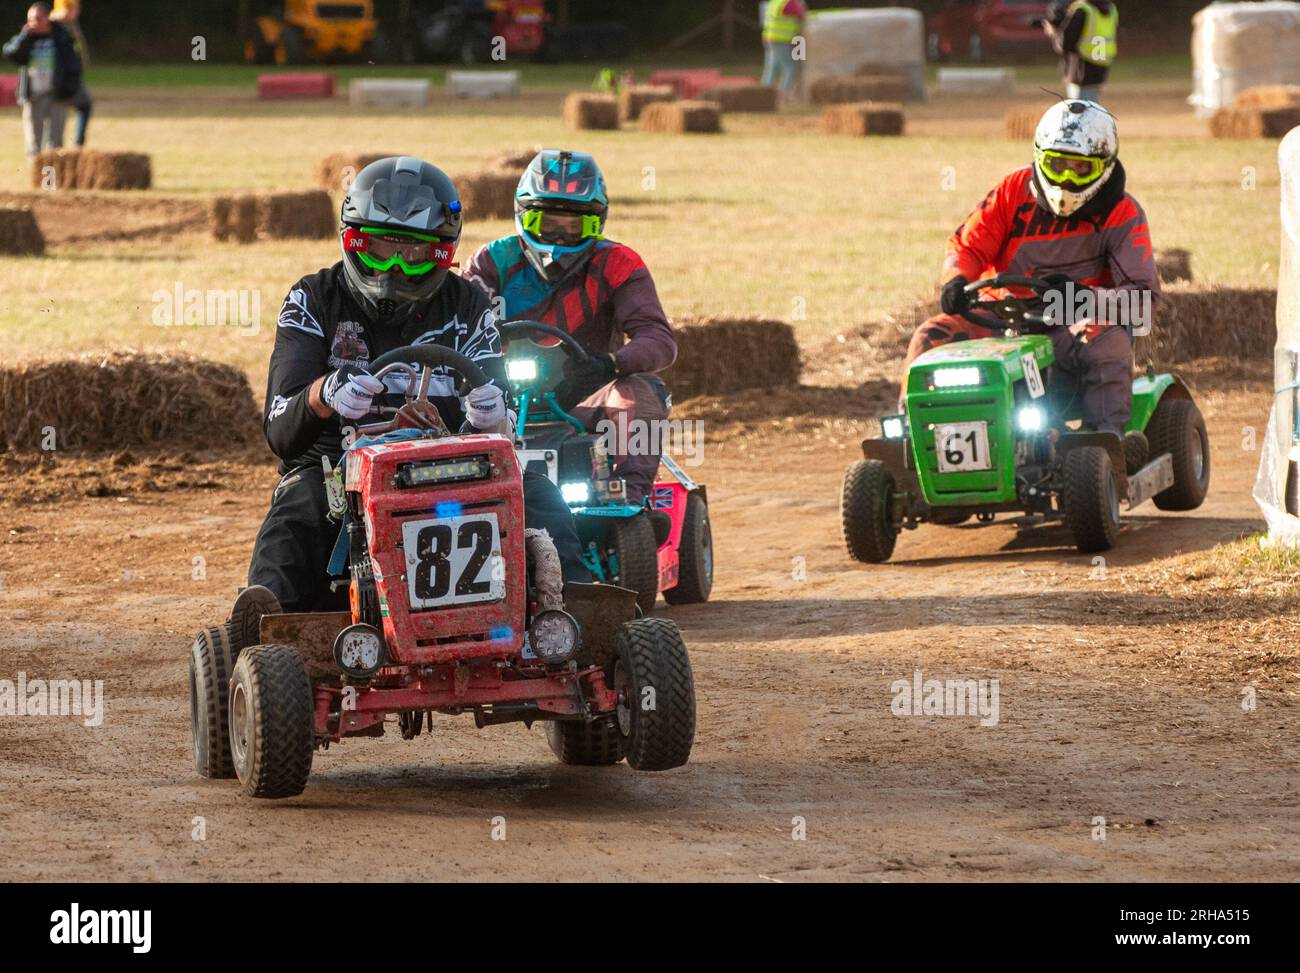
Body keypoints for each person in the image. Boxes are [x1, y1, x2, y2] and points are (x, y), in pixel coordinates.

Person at [247, 156, 589, 614]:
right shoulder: (312, 298)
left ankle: (573, 628)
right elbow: (281, 433)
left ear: (441, 254)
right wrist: (323, 393)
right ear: (352, 241)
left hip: (450, 472)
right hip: (336, 478)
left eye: (413, 254)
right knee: (296, 509)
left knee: (541, 495)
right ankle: (270, 634)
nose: (395, 268)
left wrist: (493, 417)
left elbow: (504, 424)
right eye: (380, 249)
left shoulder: (468, 305)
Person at [903, 100, 1158, 469]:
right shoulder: (1011, 191)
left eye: (1080, 169)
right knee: (931, 336)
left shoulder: (1123, 213)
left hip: (1070, 325)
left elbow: (1142, 302)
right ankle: (913, 439)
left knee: (1107, 339)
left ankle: (1106, 443)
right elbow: (967, 245)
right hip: (1000, 317)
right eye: (1057, 165)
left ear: (1103, 168)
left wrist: (1079, 298)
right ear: (1039, 158)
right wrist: (955, 280)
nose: (1066, 180)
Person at [464, 150, 677, 525]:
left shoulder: (619, 263)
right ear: (524, 217)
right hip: (495, 399)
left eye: (573, 226)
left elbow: (658, 338)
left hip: (584, 395)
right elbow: (458, 327)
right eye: (548, 223)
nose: (560, 236)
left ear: (595, 225)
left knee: (639, 391)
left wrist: (608, 365)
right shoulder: (490, 262)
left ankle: (631, 506)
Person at [3, 2, 81, 158]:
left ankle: (49, 181)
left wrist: (69, 92)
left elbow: (74, 67)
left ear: (47, 18)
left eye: (37, 18)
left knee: (55, 144)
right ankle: (36, 178)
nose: (33, 22)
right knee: (33, 144)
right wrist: (25, 36)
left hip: (57, 95)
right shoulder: (28, 38)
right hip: (33, 96)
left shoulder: (62, 36)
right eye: (30, 19)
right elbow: (9, 53)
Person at [1043, 0, 1117, 103]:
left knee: (1081, 110)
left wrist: (1053, 32)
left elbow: (1066, 43)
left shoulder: (1082, 10)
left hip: (1081, 68)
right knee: (1091, 105)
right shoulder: (1110, 8)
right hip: (1101, 65)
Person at [49, 0, 90, 147]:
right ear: (67, 8)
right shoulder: (58, 25)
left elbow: (78, 48)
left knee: (83, 106)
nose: (78, 11)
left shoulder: (70, 24)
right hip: (64, 77)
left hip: (73, 75)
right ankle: (64, 147)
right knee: (62, 111)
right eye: (75, 8)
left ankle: (74, 145)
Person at [760, 0, 807, 94]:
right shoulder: (789, 3)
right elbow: (802, 14)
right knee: (789, 67)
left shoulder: (775, 2)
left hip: (769, 37)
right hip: (780, 39)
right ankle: (783, 94)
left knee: (771, 67)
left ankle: (764, 93)